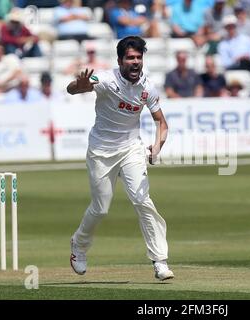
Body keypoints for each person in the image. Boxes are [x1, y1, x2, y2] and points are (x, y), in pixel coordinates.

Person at [66, 36, 174, 281]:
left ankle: (160, 261)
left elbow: (161, 122)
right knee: (101, 208)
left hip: (131, 149)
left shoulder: (148, 87)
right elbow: (73, 89)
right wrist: (79, 85)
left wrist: (157, 146)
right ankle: (79, 245)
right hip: (101, 151)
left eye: (138, 58)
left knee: (142, 200)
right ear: (120, 60)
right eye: (130, 58)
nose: (135, 62)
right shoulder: (105, 79)